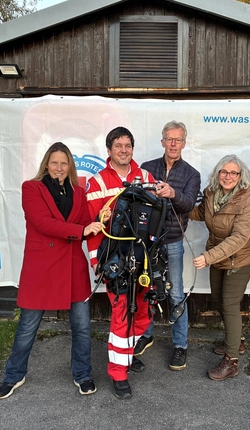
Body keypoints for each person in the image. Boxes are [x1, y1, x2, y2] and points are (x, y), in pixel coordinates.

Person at [0, 142, 105, 400]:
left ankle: (83, 374)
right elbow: (43, 223)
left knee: (81, 326)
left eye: (63, 163)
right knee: (27, 326)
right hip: (41, 268)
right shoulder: (31, 188)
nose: (59, 168)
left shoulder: (78, 192)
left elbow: (81, 224)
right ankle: (14, 375)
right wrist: (81, 230)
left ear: (70, 166)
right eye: (54, 162)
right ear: (46, 163)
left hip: (72, 267)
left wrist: (98, 220)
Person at [85, 126, 156, 399]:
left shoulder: (146, 177)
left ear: (132, 149)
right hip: (116, 261)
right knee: (122, 316)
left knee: (144, 313)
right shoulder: (97, 182)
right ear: (109, 150)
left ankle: (125, 354)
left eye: (128, 145)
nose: (124, 150)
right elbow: (92, 228)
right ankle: (118, 373)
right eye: (118, 146)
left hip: (146, 262)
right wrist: (97, 262)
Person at [134, 121, 201, 371]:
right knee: (148, 288)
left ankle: (180, 345)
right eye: (169, 139)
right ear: (162, 142)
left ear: (184, 143)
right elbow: (136, 198)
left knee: (175, 293)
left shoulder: (192, 174)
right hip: (148, 240)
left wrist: (172, 193)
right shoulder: (147, 168)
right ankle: (146, 334)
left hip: (173, 241)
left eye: (178, 140)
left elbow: (189, 205)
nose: (173, 144)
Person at [189, 154, 250, 381]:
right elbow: (200, 213)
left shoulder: (247, 202)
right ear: (218, 174)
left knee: (229, 303)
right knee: (218, 299)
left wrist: (208, 257)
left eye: (233, 173)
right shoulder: (211, 194)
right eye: (224, 172)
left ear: (241, 176)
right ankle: (235, 341)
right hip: (218, 255)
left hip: (239, 258)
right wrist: (176, 203)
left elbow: (239, 237)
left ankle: (232, 361)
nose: (228, 176)